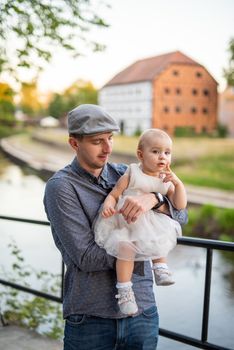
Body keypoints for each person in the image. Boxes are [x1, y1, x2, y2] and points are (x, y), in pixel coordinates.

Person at [43, 104, 188, 350]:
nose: (108, 148)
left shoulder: (126, 173)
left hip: (143, 311)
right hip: (92, 317)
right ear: (74, 144)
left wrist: (154, 199)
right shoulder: (61, 187)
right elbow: (86, 257)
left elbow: (181, 216)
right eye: (97, 141)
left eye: (110, 138)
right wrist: (141, 249)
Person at [94, 128, 187, 316]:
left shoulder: (166, 180)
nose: (162, 157)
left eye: (167, 153)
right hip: (126, 221)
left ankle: (160, 267)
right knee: (126, 250)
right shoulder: (132, 172)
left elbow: (180, 206)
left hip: (152, 222)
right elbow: (114, 194)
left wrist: (177, 184)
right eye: (155, 151)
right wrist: (107, 206)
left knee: (158, 237)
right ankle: (125, 290)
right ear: (140, 154)